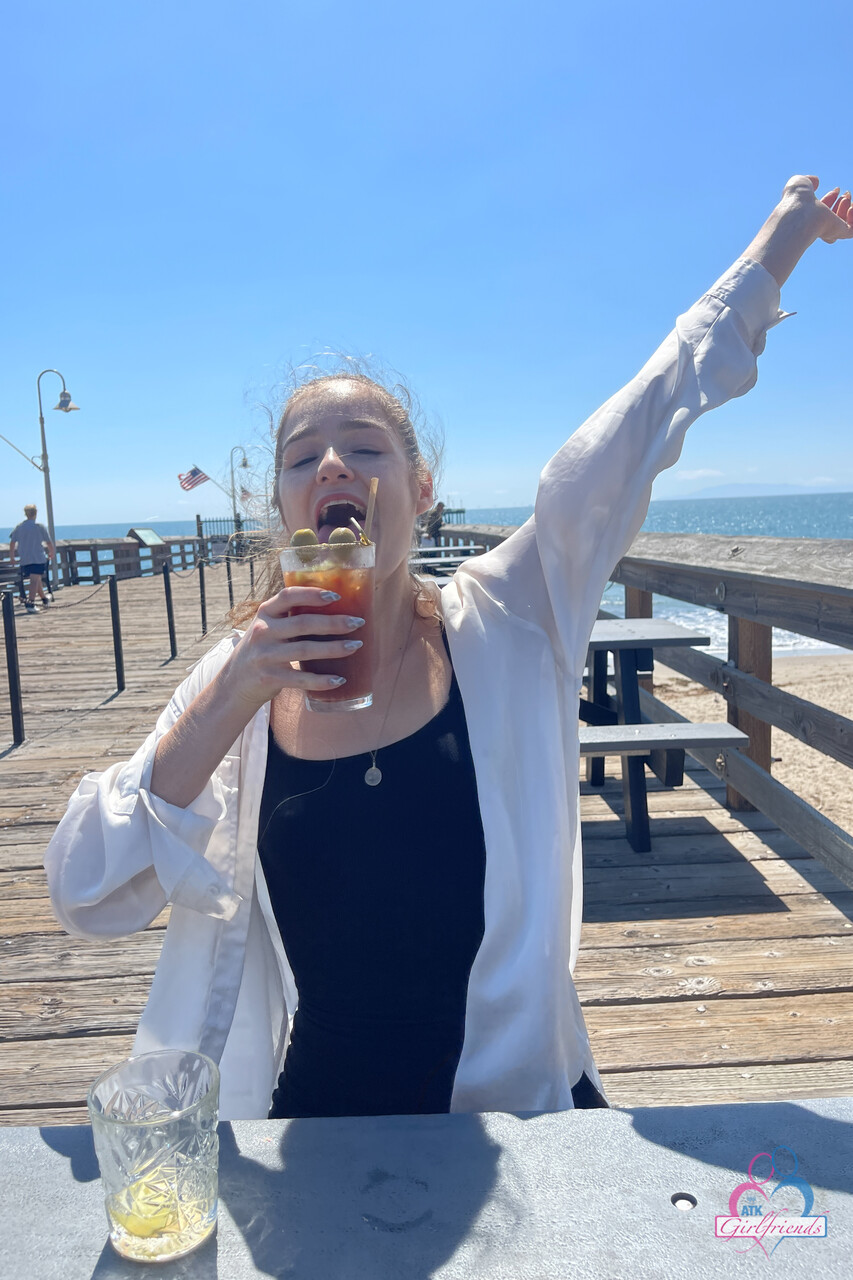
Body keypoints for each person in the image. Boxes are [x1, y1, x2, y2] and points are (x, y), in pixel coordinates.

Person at [45, 176, 853, 1120]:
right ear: (283, 506)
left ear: (421, 492)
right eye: (302, 457)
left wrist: (775, 248)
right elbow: (86, 892)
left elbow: (628, 434)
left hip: (518, 1108)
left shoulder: (509, 617)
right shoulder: (241, 677)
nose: (332, 464)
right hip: (322, 1120)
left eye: (364, 448)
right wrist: (230, 698)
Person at [9, 504, 55, 612]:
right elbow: (48, 542)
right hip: (37, 557)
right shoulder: (39, 527)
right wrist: (51, 552)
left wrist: (12, 557)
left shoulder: (19, 527)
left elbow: (12, 543)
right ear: (36, 513)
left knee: (36, 578)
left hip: (25, 558)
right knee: (34, 580)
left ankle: (44, 599)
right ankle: (30, 604)